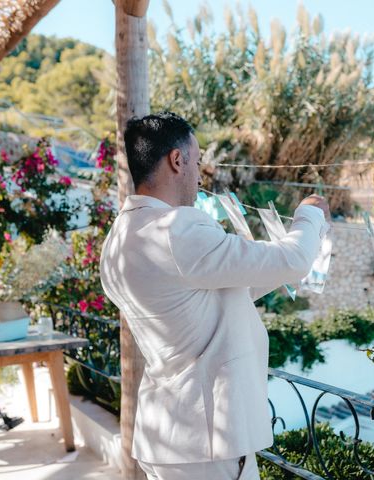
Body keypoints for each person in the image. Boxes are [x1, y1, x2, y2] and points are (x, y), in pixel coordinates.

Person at [100, 112, 329, 480]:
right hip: (207, 445)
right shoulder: (176, 228)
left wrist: (272, 268)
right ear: (178, 160)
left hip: (165, 437)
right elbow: (295, 259)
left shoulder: (118, 239)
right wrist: (309, 216)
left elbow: (220, 288)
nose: (200, 174)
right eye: (198, 161)